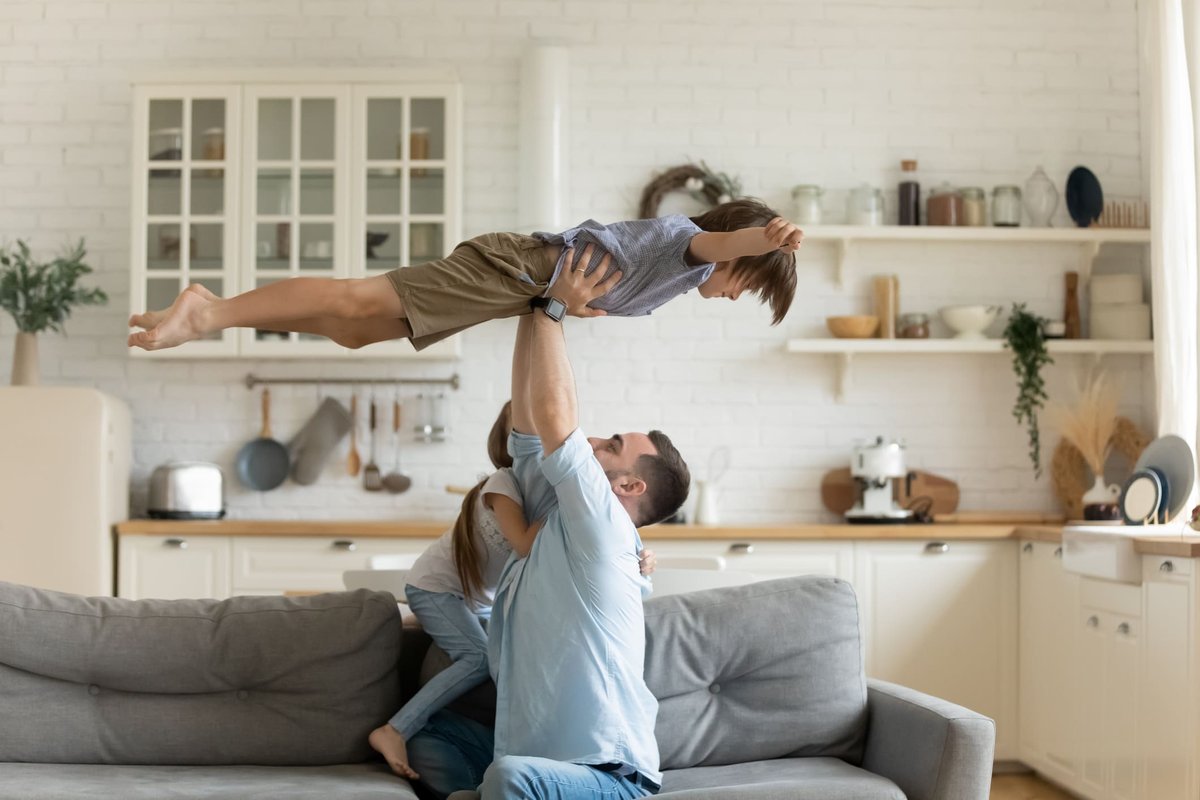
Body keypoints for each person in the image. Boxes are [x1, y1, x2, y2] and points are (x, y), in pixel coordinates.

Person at [405, 244, 691, 800]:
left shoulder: (603, 524)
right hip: (537, 762)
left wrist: (556, 311)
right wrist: (529, 301)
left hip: (609, 776)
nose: (594, 441)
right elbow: (530, 422)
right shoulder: (563, 514)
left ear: (628, 488)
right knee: (438, 740)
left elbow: (558, 420)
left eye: (611, 446)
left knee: (509, 776)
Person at [369, 396, 659, 783]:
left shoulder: (554, 494)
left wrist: (641, 554)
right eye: (531, 431)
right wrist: (574, 498)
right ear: (512, 443)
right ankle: (394, 729)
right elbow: (525, 545)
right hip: (435, 589)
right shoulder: (503, 483)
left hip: (480, 599)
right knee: (475, 658)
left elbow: (603, 539)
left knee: (509, 656)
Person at [126, 198, 802, 352]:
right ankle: (207, 314)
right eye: (751, 282)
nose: (737, 293)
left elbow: (590, 305)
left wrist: (578, 309)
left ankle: (214, 306)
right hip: (518, 268)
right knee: (357, 298)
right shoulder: (689, 244)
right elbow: (721, 243)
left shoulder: (674, 284)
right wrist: (767, 237)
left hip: (521, 293)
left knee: (356, 333)